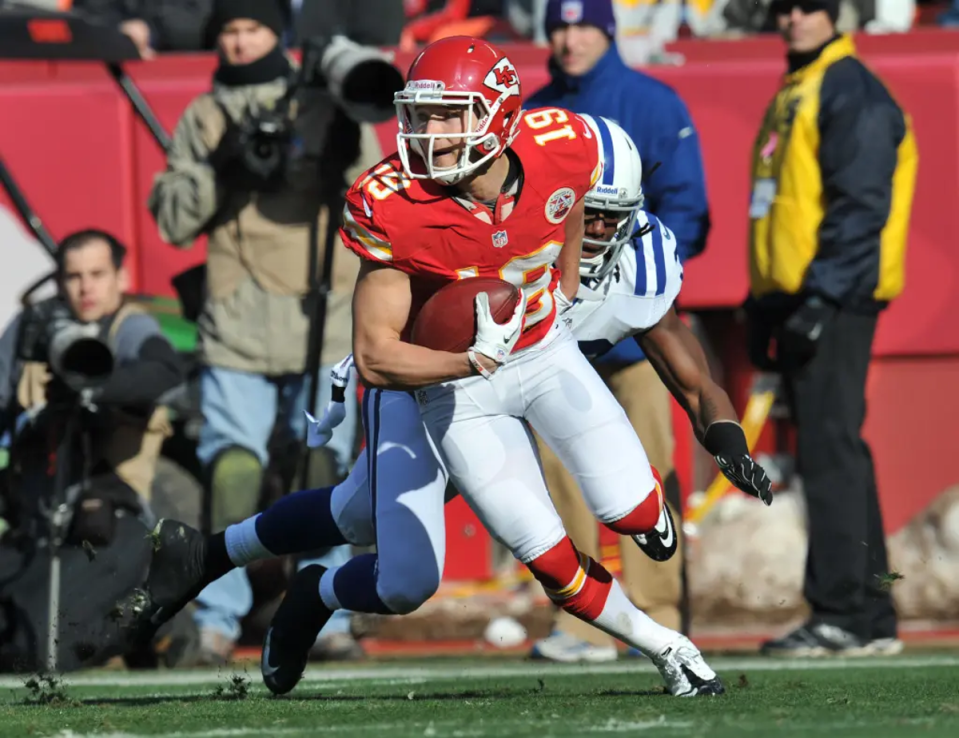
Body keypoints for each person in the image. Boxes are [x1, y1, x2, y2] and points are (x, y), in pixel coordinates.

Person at [129, 99, 771, 700]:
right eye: (587, 211)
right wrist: (464, 353)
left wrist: (727, 441)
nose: (596, 225)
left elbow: (688, 373)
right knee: (391, 559)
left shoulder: (626, 253)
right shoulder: (458, 210)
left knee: (378, 513)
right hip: (430, 379)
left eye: (611, 214)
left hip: (532, 370)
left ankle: (236, 562)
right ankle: (292, 581)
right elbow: (385, 345)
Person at [147, 0, 362, 664]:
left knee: (328, 473)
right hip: (236, 320)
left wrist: (337, 145)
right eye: (230, 31)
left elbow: (376, 197)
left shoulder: (328, 101)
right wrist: (223, 167)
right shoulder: (204, 115)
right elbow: (172, 221)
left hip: (323, 317)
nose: (240, 43)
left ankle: (327, 614)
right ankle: (217, 617)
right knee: (233, 472)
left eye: (253, 29)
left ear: (279, 34)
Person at [525, 0, 711, 661]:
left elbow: (685, 209)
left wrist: (637, 296)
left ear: (605, 31)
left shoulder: (653, 104)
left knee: (646, 473)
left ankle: (658, 612)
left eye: (581, 25)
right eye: (557, 26)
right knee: (558, 477)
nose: (568, 38)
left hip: (632, 341)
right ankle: (584, 620)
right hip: (551, 340)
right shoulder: (535, 111)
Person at [746, 0, 917, 657]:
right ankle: (869, 611)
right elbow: (784, 206)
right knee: (837, 447)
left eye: (807, 5)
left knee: (828, 449)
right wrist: (763, 298)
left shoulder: (850, 90)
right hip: (805, 294)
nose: (791, 17)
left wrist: (817, 298)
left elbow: (859, 204)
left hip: (835, 297)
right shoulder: (802, 86)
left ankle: (842, 610)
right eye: (782, 7)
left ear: (836, 12)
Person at [0, 229, 183, 524]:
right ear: (59, 283)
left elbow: (167, 372)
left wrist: (90, 387)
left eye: (97, 274)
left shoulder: (131, 327)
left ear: (120, 278)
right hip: (34, 495)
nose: (86, 288)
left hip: (110, 498)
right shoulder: (34, 329)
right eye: (74, 276)